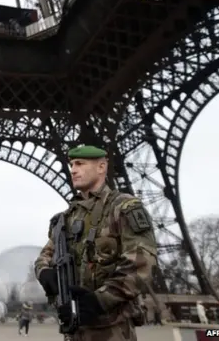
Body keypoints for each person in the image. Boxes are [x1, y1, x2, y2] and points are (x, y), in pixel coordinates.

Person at [34, 145, 158, 341]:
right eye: (72, 164)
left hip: (112, 328)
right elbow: (45, 256)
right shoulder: (65, 219)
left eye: (80, 164)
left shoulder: (123, 208)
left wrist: (98, 300)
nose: (73, 169)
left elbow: (141, 264)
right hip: (75, 328)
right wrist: (44, 272)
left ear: (101, 167)